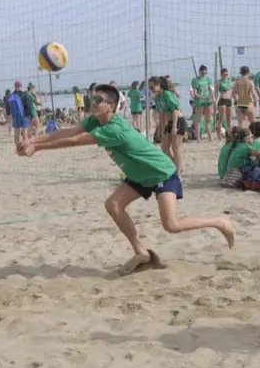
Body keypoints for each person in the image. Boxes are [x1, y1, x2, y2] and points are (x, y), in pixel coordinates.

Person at [16, 84, 235, 274]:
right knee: (113, 205)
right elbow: (68, 132)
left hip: (160, 172)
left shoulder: (113, 129)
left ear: (110, 106)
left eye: (98, 100)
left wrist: (37, 148)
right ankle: (141, 252)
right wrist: (33, 140)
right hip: (138, 174)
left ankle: (219, 222)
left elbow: (75, 141)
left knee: (172, 225)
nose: (93, 102)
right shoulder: (95, 120)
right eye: (92, 98)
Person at [190, 65, 215, 142]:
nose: (204, 74)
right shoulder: (195, 80)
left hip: (208, 101)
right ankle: (198, 138)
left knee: (208, 120)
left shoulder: (208, 79)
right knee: (198, 120)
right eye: (203, 72)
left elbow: (211, 89)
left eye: (205, 72)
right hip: (199, 101)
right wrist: (202, 97)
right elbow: (194, 93)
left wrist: (212, 97)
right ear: (199, 71)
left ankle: (210, 137)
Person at [9, 80, 29, 147]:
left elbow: (10, 107)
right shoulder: (24, 94)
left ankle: (17, 147)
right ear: (20, 86)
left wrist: (11, 115)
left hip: (16, 115)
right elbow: (27, 105)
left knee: (16, 132)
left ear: (15, 86)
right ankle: (25, 146)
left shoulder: (12, 95)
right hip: (23, 115)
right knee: (25, 132)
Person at [216, 68, 233, 140]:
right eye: (224, 74)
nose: (225, 76)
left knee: (229, 119)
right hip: (222, 100)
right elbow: (216, 93)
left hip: (229, 100)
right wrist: (214, 101)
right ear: (221, 75)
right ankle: (219, 136)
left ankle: (230, 135)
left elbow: (232, 90)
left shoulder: (229, 80)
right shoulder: (219, 82)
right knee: (221, 119)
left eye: (226, 74)